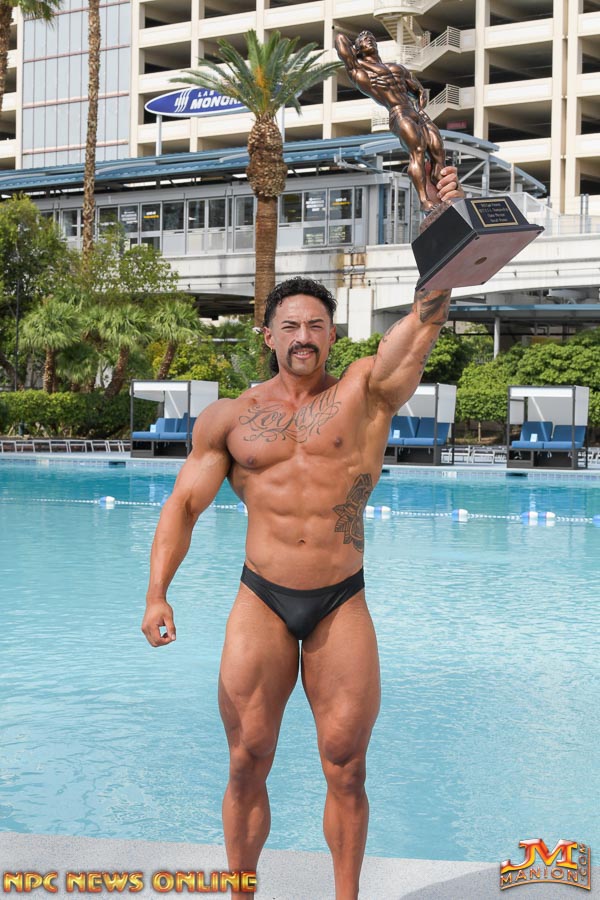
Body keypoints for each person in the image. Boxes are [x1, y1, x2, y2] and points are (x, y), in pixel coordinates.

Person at [141, 165, 463, 900]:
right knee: (246, 760)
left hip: (339, 599)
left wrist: (439, 224)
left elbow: (423, 321)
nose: (304, 336)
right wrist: (156, 592)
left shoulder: (364, 392)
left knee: (346, 765)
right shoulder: (228, 418)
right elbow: (183, 507)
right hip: (261, 598)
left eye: (316, 324)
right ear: (268, 336)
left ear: (332, 334)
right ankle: (242, 892)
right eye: (289, 325)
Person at [335, 30, 446, 212]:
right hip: (398, 113)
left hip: (416, 112)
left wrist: (420, 105)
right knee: (417, 151)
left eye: (371, 38)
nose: (369, 40)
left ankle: (443, 195)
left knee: (438, 152)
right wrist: (354, 51)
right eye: (363, 39)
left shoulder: (397, 68)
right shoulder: (359, 69)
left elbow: (419, 90)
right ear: (357, 48)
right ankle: (424, 200)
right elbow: (340, 39)